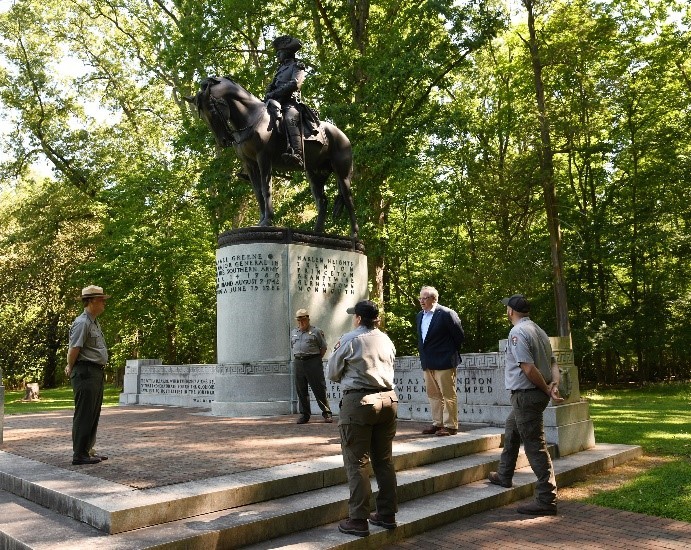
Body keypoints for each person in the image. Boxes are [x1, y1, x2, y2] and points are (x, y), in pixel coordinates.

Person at [327, 300, 398, 537]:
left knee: (357, 462)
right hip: (388, 400)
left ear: (358, 318)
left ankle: (358, 519)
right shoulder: (386, 339)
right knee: (384, 460)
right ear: (376, 319)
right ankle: (387, 513)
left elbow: (332, 372)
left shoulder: (349, 339)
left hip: (359, 402)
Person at [488, 293, 564, 516]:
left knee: (535, 446)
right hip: (533, 395)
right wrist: (553, 384)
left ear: (510, 311)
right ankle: (504, 474)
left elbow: (528, 368)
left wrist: (546, 388)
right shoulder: (538, 330)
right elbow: (553, 362)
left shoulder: (517, 332)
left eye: (506, 309)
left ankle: (546, 499)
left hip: (527, 395)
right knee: (512, 428)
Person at [65, 285, 110, 466]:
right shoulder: (82, 322)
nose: (104, 304)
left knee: (93, 413)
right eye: (101, 300)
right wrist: (70, 367)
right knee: (84, 413)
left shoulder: (93, 322)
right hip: (85, 372)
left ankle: (87, 450)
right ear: (91, 301)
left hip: (94, 372)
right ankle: (79, 454)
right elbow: (74, 349)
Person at [416, 286, 465, 436]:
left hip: (444, 360)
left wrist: (448, 352)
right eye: (420, 298)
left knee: (448, 394)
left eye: (424, 298)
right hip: (427, 361)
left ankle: (451, 426)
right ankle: (438, 423)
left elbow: (459, 336)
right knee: (433, 394)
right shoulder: (419, 315)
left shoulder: (446, 313)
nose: (421, 301)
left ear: (433, 299)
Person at [265, 35, 306, 168]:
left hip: (290, 102)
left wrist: (275, 92)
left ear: (287, 52)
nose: (277, 55)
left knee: (289, 118)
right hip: (274, 102)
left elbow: (295, 83)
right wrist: (269, 90)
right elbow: (273, 86)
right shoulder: (279, 70)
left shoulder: (297, 66)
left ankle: (298, 155)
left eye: (279, 52)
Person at [290, 308, 332, 424]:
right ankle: (304, 415)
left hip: (313, 361)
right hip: (299, 362)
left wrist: (316, 359)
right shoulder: (294, 332)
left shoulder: (316, 331)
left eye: (303, 320)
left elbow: (323, 347)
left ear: (308, 319)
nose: (301, 322)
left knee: (319, 388)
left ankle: (327, 413)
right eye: (299, 320)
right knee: (301, 389)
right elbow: (292, 346)